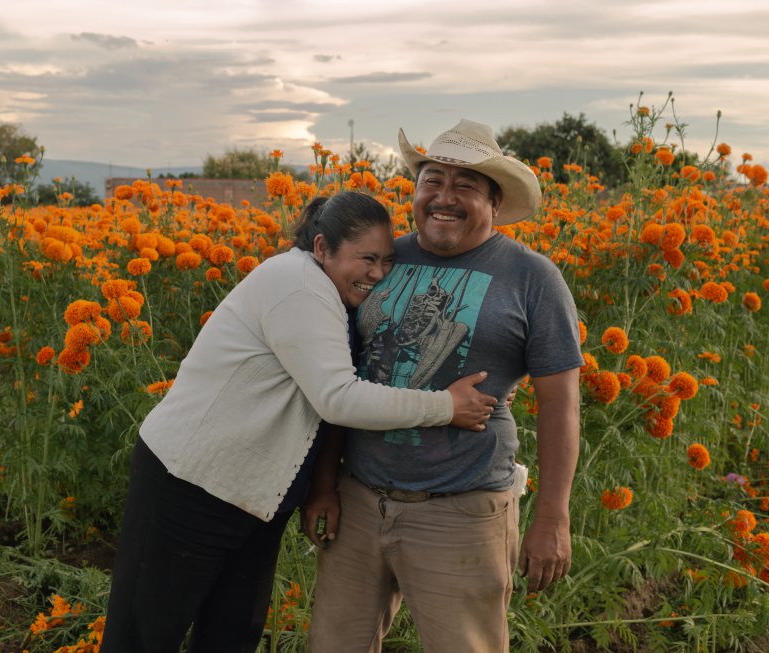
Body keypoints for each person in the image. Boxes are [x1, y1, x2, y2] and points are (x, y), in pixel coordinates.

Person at [99, 191, 499, 653]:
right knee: (144, 633)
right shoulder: (298, 285)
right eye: (366, 258)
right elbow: (337, 398)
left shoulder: (330, 293)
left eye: (387, 261)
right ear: (323, 247)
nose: (378, 273)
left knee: (231, 633)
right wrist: (445, 406)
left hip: (254, 495)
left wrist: (321, 486)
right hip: (191, 482)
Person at [304, 119, 584, 653]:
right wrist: (325, 483)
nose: (444, 198)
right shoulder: (383, 259)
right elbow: (347, 375)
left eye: (466, 186)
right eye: (433, 180)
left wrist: (552, 516)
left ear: (495, 203)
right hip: (360, 498)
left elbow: (560, 404)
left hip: (462, 509)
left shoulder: (532, 277)